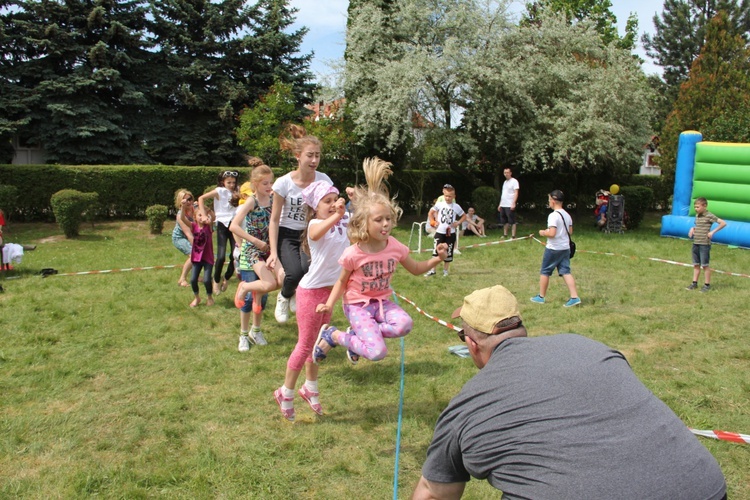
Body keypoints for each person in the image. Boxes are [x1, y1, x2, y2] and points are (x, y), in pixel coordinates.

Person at [413, 285, 728, 500]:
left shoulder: (466, 405)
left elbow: (433, 491)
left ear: (470, 344)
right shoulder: (587, 345)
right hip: (705, 487)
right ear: (520, 327)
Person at [312, 158, 448, 364]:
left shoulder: (394, 246)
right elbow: (341, 282)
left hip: (382, 302)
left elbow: (417, 269)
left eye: (388, 219)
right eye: (378, 220)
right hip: (357, 305)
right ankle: (334, 336)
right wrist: (329, 304)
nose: (385, 224)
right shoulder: (353, 253)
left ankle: (360, 335)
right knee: (376, 352)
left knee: (405, 325)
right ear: (364, 223)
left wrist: (438, 258)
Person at [273, 180, 350, 422]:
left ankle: (310, 388)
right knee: (305, 344)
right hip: (310, 292)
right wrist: (337, 215)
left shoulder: (342, 221)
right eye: (326, 201)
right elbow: (316, 232)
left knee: (317, 345)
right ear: (315, 206)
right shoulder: (316, 223)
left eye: (334, 200)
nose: (332, 204)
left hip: (330, 293)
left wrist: (354, 201)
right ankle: (285, 392)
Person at [267, 124, 332, 324]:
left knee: (308, 270)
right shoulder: (283, 183)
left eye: (318, 156)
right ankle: (284, 296)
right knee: (293, 273)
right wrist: (273, 252)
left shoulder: (323, 180)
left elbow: (329, 207)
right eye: (310, 155)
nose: (314, 160)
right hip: (287, 234)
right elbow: (275, 219)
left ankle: (296, 294)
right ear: (298, 156)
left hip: (310, 233)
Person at [230, 159, 277, 351]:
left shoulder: (274, 200)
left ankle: (256, 331)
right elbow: (233, 225)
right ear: (255, 184)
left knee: (263, 295)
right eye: (265, 183)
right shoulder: (251, 201)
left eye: (271, 182)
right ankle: (243, 334)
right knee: (250, 298)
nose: (269, 186)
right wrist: (254, 242)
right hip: (252, 252)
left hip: (267, 251)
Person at [531, 189, 581, 307]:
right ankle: (574, 297)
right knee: (565, 272)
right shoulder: (567, 215)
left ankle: (541, 297)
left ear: (553, 201)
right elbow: (570, 231)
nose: (548, 202)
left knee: (545, 271)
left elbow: (552, 233)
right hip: (565, 248)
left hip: (554, 248)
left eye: (549, 200)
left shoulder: (553, 216)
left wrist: (543, 232)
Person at [199, 170, 239, 295]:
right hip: (222, 224)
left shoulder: (238, 191)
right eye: (229, 182)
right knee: (221, 256)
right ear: (223, 182)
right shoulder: (219, 191)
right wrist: (204, 215)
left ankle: (226, 278)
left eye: (233, 182)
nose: (231, 185)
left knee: (235, 256)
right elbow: (201, 198)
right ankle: (216, 280)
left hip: (234, 224)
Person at [687, 197, 726, 292]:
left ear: (704, 206)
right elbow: (698, 226)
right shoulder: (697, 216)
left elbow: (723, 223)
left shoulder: (709, 215)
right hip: (696, 242)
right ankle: (694, 283)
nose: (696, 209)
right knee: (696, 264)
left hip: (704, 244)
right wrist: (693, 229)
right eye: (695, 207)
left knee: (705, 265)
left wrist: (712, 232)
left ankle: (707, 285)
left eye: (698, 207)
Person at [425, 184, 465, 277]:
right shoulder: (439, 204)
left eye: (450, 196)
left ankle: (445, 271)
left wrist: (458, 223)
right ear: (443, 195)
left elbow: (464, 216)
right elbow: (430, 213)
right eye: (446, 196)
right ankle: (432, 270)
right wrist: (433, 222)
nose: (448, 198)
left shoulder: (456, 206)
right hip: (440, 232)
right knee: (435, 252)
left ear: (454, 196)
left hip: (450, 233)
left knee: (449, 252)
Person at [182, 202, 215, 307]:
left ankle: (209, 297)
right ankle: (197, 298)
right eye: (199, 215)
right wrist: (183, 207)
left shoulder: (209, 226)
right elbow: (182, 218)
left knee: (206, 280)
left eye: (204, 215)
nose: (202, 217)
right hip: (196, 258)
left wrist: (208, 211)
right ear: (195, 217)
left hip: (208, 258)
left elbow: (213, 218)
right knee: (192, 280)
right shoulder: (193, 226)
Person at [172, 189, 195, 287]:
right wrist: (197, 247)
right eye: (185, 201)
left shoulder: (194, 209)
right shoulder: (179, 216)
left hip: (190, 236)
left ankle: (196, 277)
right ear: (180, 203)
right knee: (193, 256)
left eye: (190, 199)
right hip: (179, 238)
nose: (188, 202)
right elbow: (188, 234)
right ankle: (182, 279)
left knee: (197, 257)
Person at [497, 167, 519, 239]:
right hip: (503, 204)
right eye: (505, 173)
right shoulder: (505, 182)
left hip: (510, 204)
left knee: (512, 221)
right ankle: (505, 234)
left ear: (510, 173)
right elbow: (503, 194)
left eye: (507, 172)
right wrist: (500, 204)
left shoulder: (514, 181)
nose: (506, 174)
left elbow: (516, 193)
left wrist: (513, 203)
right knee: (504, 221)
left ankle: (513, 236)